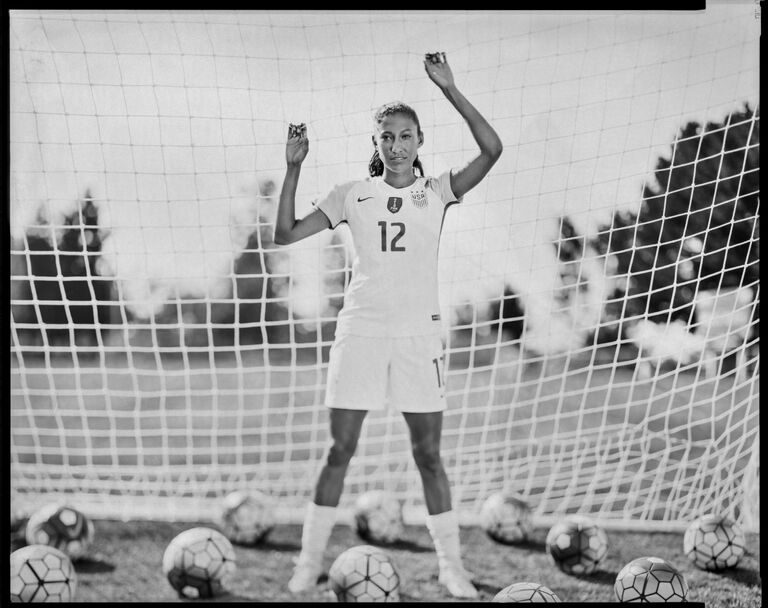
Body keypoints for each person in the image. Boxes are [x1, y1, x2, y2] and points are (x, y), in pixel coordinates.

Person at [273, 51, 503, 598]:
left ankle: (451, 567)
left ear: (420, 141)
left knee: (428, 454)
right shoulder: (352, 194)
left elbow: (492, 149)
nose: (396, 146)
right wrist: (293, 165)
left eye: (405, 136)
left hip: (419, 337)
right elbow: (284, 234)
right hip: (361, 334)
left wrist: (449, 87)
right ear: (375, 144)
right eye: (387, 137)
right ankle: (308, 564)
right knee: (340, 450)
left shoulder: (437, 191)